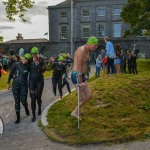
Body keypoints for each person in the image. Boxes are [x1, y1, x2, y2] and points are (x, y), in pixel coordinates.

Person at [71, 36, 98, 119]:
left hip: (81, 75)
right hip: (76, 75)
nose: (96, 47)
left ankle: (78, 111)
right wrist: (80, 81)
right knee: (81, 98)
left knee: (89, 96)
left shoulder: (88, 51)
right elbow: (79, 66)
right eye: (95, 45)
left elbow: (84, 64)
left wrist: (84, 75)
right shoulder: (81, 51)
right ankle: (75, 112)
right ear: (90, 43)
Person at [7, 54, 31, 124]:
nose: (25, 60)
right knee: (17, 101)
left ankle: (26, 108)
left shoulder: (29, 67)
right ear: (22, 58)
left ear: (28, 61)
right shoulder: (16, 64)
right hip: (15, 86)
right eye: (24, 58)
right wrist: (8, 83)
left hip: (24, 86)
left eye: (27, 60)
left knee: (23, 100)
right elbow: (11, 73)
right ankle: (18, 118)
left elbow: (36, 70)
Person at [29, 47, 46, 122]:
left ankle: (39, 107)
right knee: (33, 98)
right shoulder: (30, 60)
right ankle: (33, 115)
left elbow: (43, 70)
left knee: (38, 97)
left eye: (34, 54)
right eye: (32, 54)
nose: (33, 55)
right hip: (31, 81)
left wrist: (37, 63)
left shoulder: (42, 60)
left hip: (39, 80)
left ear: (37, 53)